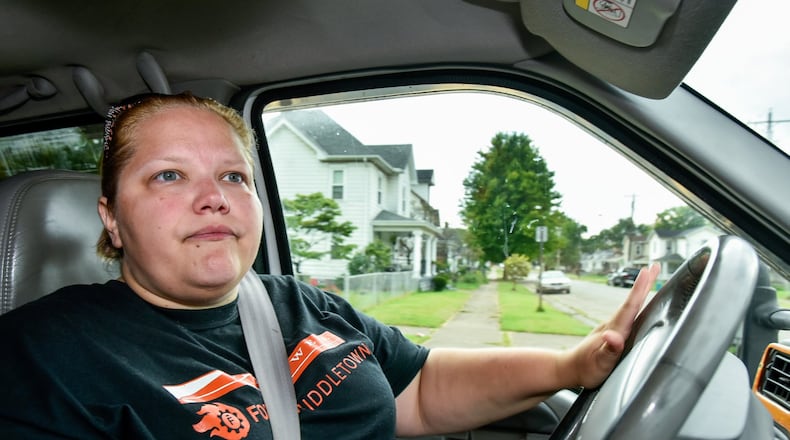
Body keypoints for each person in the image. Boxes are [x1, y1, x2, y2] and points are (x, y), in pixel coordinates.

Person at [0, 93, 660, 439]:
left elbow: (423, 391)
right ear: (111, 218)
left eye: (234, 175)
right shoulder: (42, 355)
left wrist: (574, 365)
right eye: (168, 175)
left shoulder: (301, 304)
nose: (213, 197)